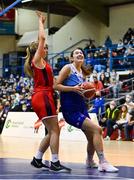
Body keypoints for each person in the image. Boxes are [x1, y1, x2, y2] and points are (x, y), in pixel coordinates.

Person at [54, 47, 118, 172]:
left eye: (81, 53)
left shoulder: (81, 73)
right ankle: (103, 162)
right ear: (72, 58)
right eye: (76, 53)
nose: (79, 54)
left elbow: (80, 91)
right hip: (70, 110)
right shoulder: (68, 68)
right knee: (98, 129)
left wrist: (88, 94)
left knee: (91, 137)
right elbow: (55, 86)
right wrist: (73, 89)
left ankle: (89, 161)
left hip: (81, 108)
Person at [24, 11, 71, 173]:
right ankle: (55, 163)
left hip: (44, 96)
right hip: (42, 96)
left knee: (51, 131)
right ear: (39, 49)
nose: (46, 48)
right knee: (55, 130)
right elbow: (43, 38)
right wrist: (41, 22)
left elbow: (53, 83)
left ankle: (37, 159)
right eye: (44, 47)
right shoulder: (36, 60)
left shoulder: (42, 62)